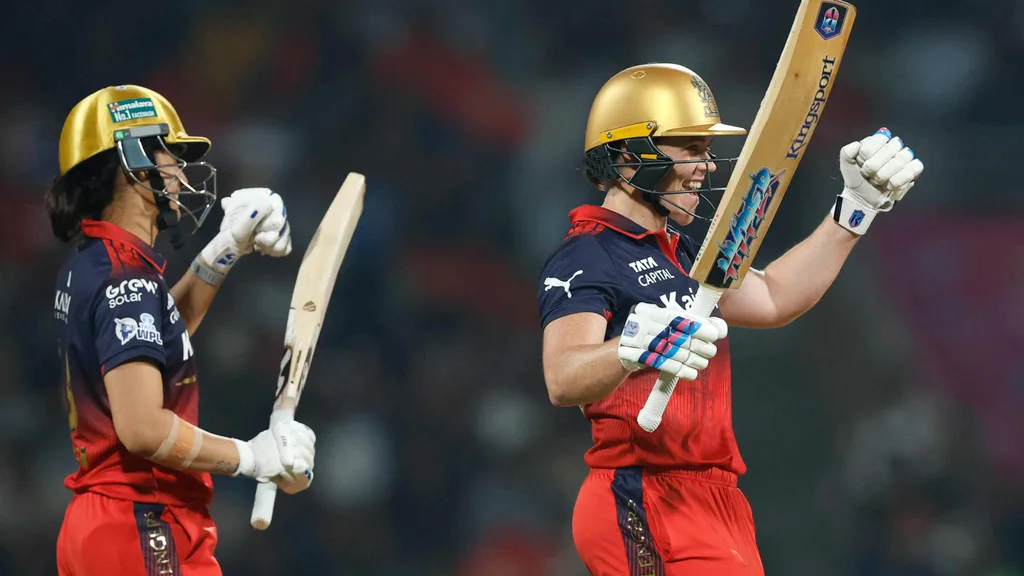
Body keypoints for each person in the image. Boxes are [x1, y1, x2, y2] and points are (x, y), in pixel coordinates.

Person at [536, 63, 924, 575]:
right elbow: (562, 377)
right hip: (643, 491)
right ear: (630, 155)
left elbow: (774, 297)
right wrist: (630, 347)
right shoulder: (588, 253)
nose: (708, 166)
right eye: (691, 149)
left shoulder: (680, 249)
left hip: (714, 501)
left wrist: (854, 211)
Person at [48, 84, 318, 576]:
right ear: (132, 162)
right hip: (141, 521)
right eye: (168, 154)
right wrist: (252, 457)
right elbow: (142, 428)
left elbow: (152, 343)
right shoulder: (124, 280)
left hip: (107, 521)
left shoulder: (97, 261)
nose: (178, 172)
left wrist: (225, 247)